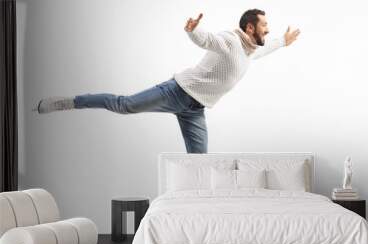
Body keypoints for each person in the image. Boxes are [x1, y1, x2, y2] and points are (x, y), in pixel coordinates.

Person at [34, 9, 300, 153]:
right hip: (176, 92)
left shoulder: (249, 52)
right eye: (265, 24)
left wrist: (282, 43)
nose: (269, 28)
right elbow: (208, 40)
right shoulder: (230, 40)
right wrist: (193, 30)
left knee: (199, 161)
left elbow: (265, 49)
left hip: (195, 110)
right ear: (250, 27)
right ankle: (68, 102)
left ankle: (192, 210)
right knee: (123, 105)